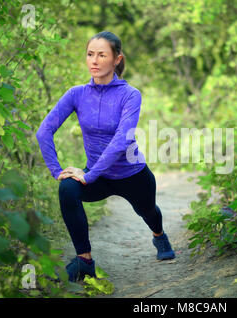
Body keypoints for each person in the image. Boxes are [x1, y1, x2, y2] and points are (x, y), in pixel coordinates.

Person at [35, 31, 175, 282]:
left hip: (132, 174)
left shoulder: (130, 95)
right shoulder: (76, 94)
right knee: (67, 189)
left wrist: (90, 175)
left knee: (148, 212)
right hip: (96, 176)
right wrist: (57, 171)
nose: (94, 60)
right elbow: (44, 131)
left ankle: (159, 235)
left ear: (116, 59)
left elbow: (121, 140)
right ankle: (84, 261)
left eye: (102, 55)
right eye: (90, 54)